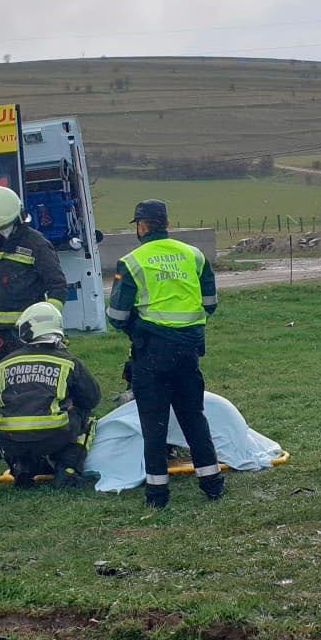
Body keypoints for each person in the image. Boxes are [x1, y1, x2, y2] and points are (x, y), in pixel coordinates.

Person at [106, 199, 221, 508]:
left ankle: (157, 495)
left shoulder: (131, 262)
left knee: (154, 425)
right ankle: (213, 485)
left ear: (142, 227)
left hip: (151, 354)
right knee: (194, 417)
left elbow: (116, 316)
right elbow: (209, 303)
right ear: (168, 224)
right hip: (188, 352)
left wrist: (139, 325)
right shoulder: (194, 256)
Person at [0, 186, 67, 459]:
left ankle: (30, 440)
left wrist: (48, 326)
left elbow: (57, 287)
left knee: (26, 388)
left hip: (27, 335)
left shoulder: (37, 244)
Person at [0, 301, 103, 488]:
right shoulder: (68, 362)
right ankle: (68, 470)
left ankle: (21, 468)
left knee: (2, 422)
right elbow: (91, 398)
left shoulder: (5, 363)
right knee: (87, 419)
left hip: (11, 439)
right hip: (53, 436)